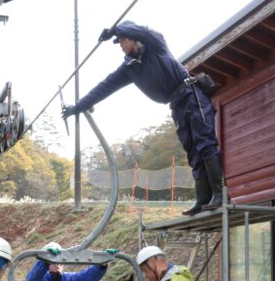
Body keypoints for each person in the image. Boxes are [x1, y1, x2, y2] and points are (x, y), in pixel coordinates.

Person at [61, 20, 224, 216]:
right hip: (176, 105)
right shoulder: (129, 68)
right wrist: (78, 107)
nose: (120, 45)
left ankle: (219, 194)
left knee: (204, 143)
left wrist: (116, 29)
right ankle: (202, 199)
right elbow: (104, 87)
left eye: (122, 40)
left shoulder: (156, 45)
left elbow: (144, 31)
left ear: (133, 38)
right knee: (192, 151)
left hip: (191, 95)